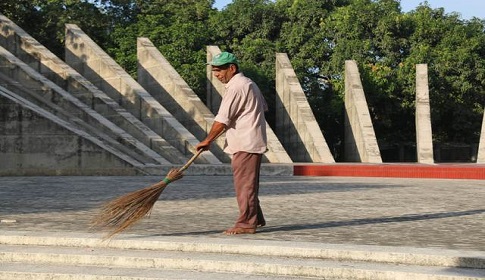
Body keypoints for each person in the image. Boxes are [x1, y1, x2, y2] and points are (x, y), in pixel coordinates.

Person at [196, 51, 268, 235]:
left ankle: (246, 224)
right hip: (249, 141)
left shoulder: (237, 86)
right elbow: (262, 107)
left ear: (232, 68)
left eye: (219, 70)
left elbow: (223, 120)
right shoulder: (249, 84)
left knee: (244, 185)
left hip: (245, 142)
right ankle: (255, 217)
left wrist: (207, 140)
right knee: (248, 183)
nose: (217, 75)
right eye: (214, 71)